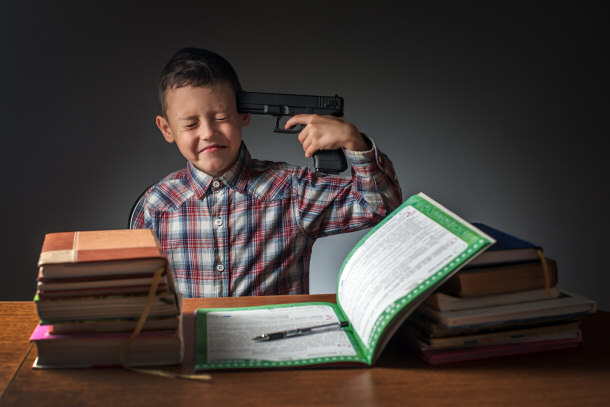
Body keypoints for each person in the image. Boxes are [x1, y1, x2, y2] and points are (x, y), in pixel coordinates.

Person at [130, 47, 402, 297]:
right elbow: (140, 297)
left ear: (244, 115)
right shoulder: (155, 207)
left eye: (221, 117)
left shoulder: (293, 191)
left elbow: (380, 206)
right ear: (167, 129)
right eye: (190, 124)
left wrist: (354, 142)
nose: (208, 133)